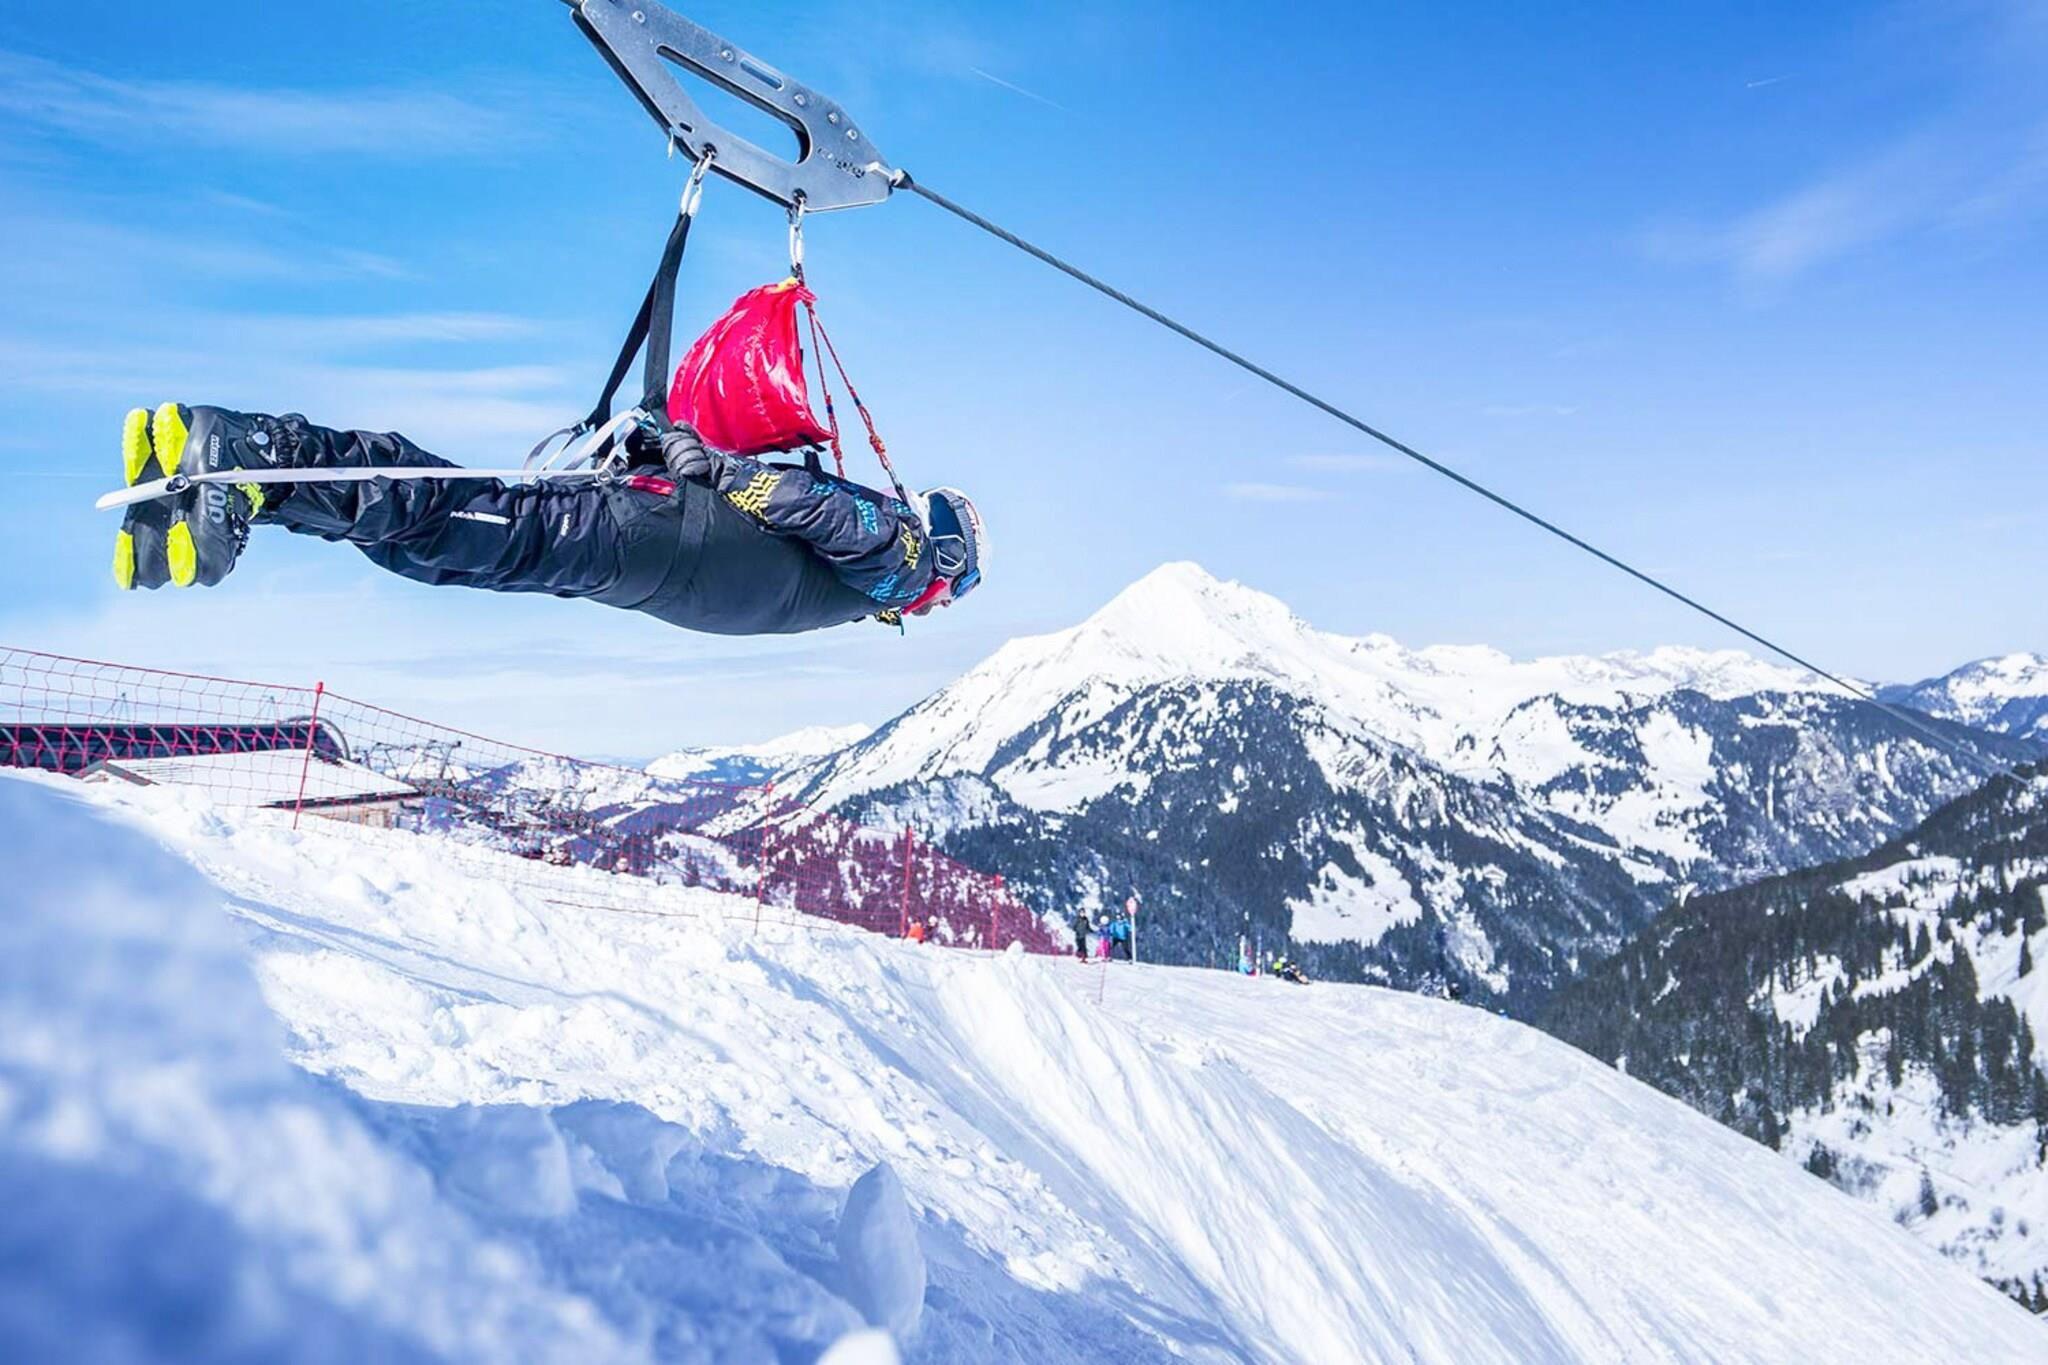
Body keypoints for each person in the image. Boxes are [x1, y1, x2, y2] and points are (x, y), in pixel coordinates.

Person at [110, 403, 987, 635]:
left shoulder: (881, 585)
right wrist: (719, 470)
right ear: (948, 553)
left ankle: (251, 488)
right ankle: (259, 449)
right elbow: (819, 509)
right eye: (959, 581)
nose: (945, 597)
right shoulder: (906, 559)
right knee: (455, 516)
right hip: (648, 539)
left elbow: (808, 520)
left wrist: (698, 465)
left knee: (440, 550)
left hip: (647, 552)